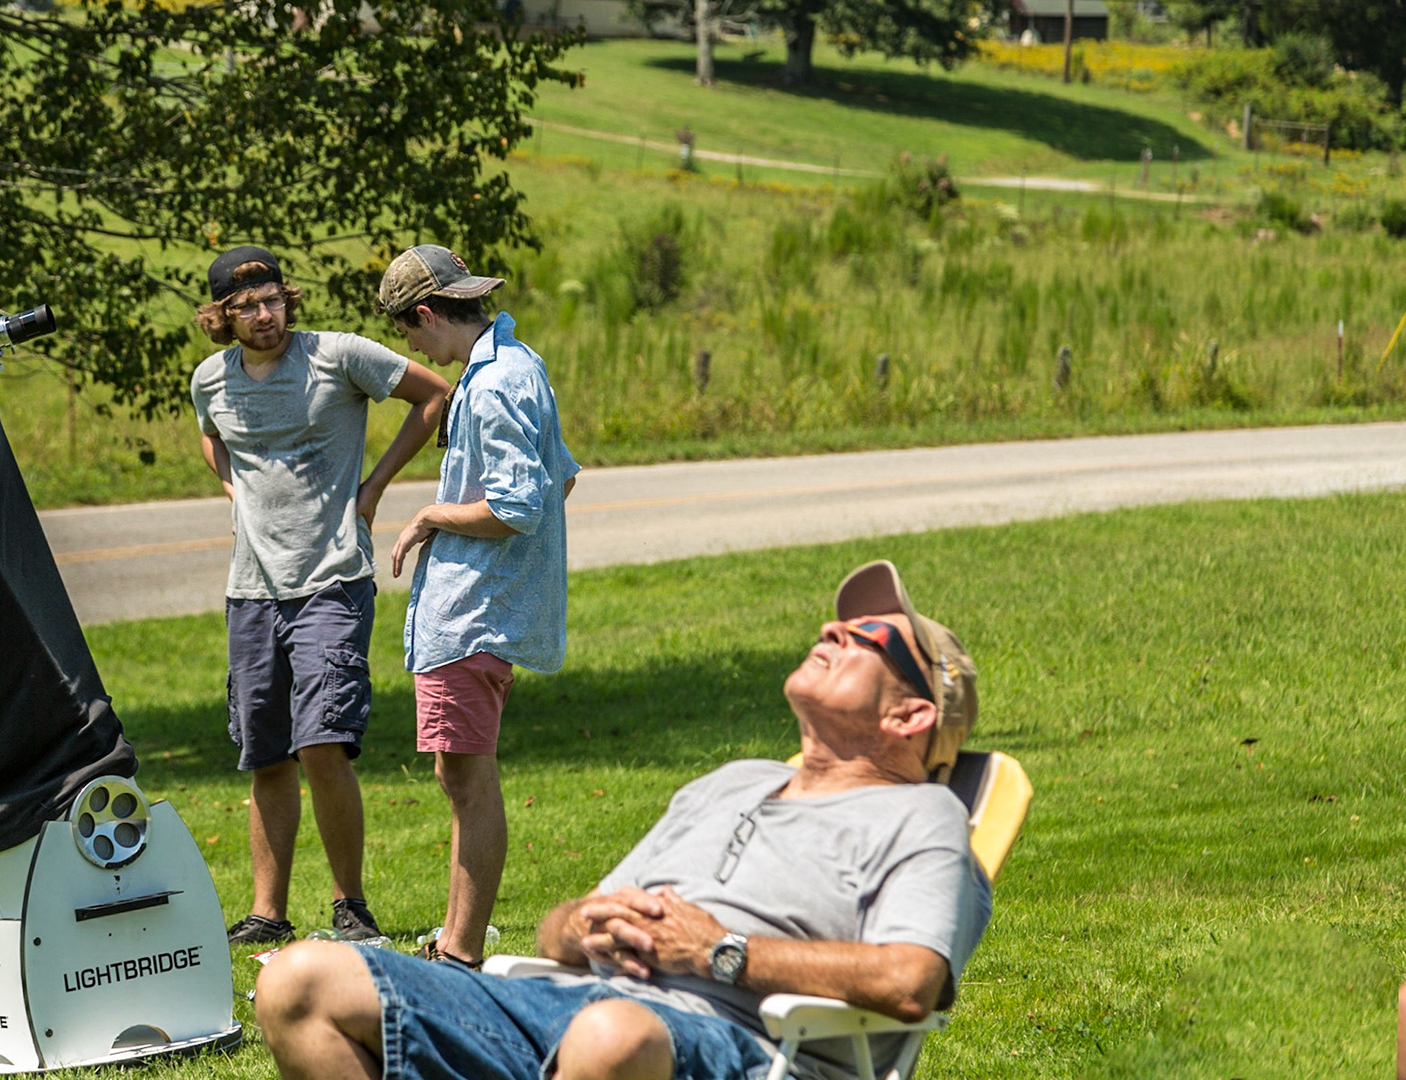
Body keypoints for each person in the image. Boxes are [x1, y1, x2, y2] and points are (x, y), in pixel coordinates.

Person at [256, 560, 989, 1080]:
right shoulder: (731, 782)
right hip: (567, 1004)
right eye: (838, 623)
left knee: (611, 1038)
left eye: (867, 639)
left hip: (744, 1043)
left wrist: (719, 952)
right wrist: (582, 925)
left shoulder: (922, 816)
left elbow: (910, 980)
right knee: (301, 980)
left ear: (911, 713)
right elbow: (557, 932)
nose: (831, 629)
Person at [190, 245, 451, 946]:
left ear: (287, 298)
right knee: (267, 754)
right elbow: (213, 441)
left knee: (322, 743)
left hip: (332, 579)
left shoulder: (338, 357)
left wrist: (373, 489)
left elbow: (434, 394)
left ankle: (351, 907)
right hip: (251, 592)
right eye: (245, 306)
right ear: (221, 316)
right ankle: (268, 914)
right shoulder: (210, 379)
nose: (263, 314)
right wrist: (236, 497)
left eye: (271, 298)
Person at [377, 244, 581, 968]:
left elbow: (519, 503)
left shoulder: (494, 384)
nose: (413, 347)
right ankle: (454, 941)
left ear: (428, 314)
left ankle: (460, 952)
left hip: (471, 618)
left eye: (409, 332)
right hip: (490, 612)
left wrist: (433, 516)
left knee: (465, 777)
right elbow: (561, 481)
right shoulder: (517, 364)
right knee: (461, 774)